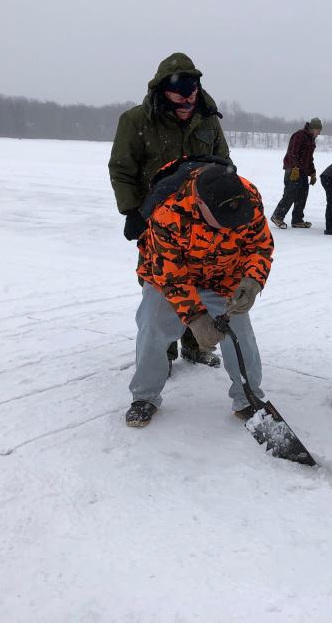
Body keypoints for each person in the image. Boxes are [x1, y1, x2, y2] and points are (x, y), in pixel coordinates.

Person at [123, 159, 274, 427]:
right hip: (169, 277)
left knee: (239, 332)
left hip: (224, 276)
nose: (230, 228)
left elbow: (259, 245)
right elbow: (171, 274)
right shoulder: (168, 211)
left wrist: (252, 280)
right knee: (153, 325)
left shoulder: (248, 196)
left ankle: (247, 397)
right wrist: (195, 319)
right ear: (201, 204)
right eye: (223, 222)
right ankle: (144, 396)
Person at [109, 52, 230, 369]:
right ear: (161, 89)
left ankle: (194, 343)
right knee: (159, 284)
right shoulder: (136, 121)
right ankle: (161, 349)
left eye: (192, 89)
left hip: (200, 221)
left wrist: (223, 207)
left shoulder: (207, 120)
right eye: (179, 89)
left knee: (200, 282)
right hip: (156, 222)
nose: (187, 97)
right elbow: (122, 169)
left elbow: (224, 166)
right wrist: (132, 211)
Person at [270, 118, 321, 229]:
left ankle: (297, 220)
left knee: (303, 195)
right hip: (293, 170)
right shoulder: (299, 135)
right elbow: (293, 152)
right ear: (313, 128)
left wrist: (312, 172)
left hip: (303, 172)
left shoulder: (311, 139)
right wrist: (295, 167)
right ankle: (277, 216)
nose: (319, 133)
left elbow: (309, 158)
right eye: (318, 130)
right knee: (290, 194)